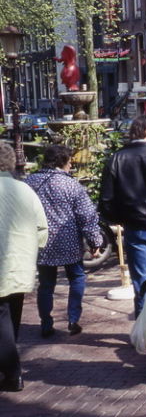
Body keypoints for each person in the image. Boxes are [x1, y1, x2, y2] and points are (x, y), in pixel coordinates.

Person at [99, 115, 146, 319]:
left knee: (141, 278)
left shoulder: (117, 158)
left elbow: (106, 199)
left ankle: (145, 323)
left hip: (134, 226)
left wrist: (119, 219)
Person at [25, 145, 103, 338]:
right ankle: (73, 319)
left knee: (46, 284)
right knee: (76, 277)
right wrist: (95, 241)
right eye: (70, 162)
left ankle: (46, 323)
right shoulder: (71, 185)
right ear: (63, 162)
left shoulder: (29, 182)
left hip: (41, 242)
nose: (71, 166)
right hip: (67, 240)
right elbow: (86, 215)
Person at [0, 141, 48, 392]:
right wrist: (31, 250)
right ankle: (8, 366)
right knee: (11, 315)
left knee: (2, 317)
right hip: (20, 264)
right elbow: (42, 228)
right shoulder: (24, 190)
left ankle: (12, 372)